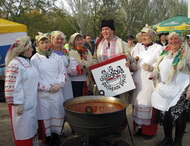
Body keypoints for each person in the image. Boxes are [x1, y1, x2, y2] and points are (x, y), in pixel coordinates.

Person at [150, 32, 190, 146]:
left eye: (176, 39)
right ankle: (168, 139)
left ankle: (178, 142)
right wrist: (155, 74)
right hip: (165, 89)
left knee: (179, 116)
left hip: (180, 90)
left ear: (181, 40)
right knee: (166, 114)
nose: (173, 41)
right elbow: (158, 68)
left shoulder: (187, 53)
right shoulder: (165, 52)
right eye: (171, 39)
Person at [30, 33, 66, 145]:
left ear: (50, 43)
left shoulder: (57, 57)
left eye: (46, 42)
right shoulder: (34, 59)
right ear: (37, 44)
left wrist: (58, 85)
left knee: (58, 113)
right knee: (46, 116)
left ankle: (57, 136)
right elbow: (35, 77)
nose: (44, 45)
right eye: (42, 42)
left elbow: (62, 72)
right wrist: (47, 87)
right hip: (44, 95)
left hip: (57, 92)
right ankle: (48, 138)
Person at [4, 36, 39, 146]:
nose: (32, 49)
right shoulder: (15, 64)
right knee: (24, 132)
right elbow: (11, 85)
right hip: (21, 107)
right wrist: (17, 103)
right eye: (30, 47)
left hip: (31, 104)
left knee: (31, 129)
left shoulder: (26, 62)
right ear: (24, 50)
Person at [130, 26, 163, 139]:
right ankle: (139, 128)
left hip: (149, 82)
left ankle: (149, 131)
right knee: (138, 104)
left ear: (152, 36)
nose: (144, 37)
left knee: (149, 104)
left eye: (146, 35)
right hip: (137, 81)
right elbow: (130, 59)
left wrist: (151, 67)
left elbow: (161, 64)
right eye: (142, 35)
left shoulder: (158, 48)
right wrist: (131, 66)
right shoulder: (136, 47)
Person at [49, 30, 73, 101]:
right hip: (54, 81)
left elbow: (69, 64)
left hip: (66, 80)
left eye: (61, 39)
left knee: (67, 99)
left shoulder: (65, 51)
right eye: (57, 39)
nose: (59, 41)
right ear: (52, 40)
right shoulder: (48, 52)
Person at [68, 32, 94, 97]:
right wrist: (79, 67)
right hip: (75, 81)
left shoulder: (86, 51)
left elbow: (91, 61)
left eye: (81, 39)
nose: (80, 41)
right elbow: (71, 71)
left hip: (86, 79)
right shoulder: (71, 52)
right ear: (73, 42)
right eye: (77, 40)